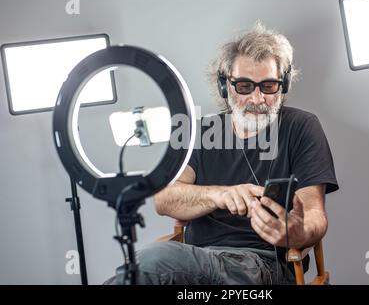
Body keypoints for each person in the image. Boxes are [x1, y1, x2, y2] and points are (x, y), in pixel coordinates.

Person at [108, 22, 338, 285]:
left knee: (151, 263)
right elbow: (164, 199)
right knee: (147, 266)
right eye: (244, 86)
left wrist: (297, 232)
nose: (257, 98)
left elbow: (315, 216)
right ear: (224, 87)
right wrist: (221, 195)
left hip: (261, 265)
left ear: (282, 85)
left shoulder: (302, 127)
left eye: (268, 86)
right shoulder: (200, 131)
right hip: (196, 260)